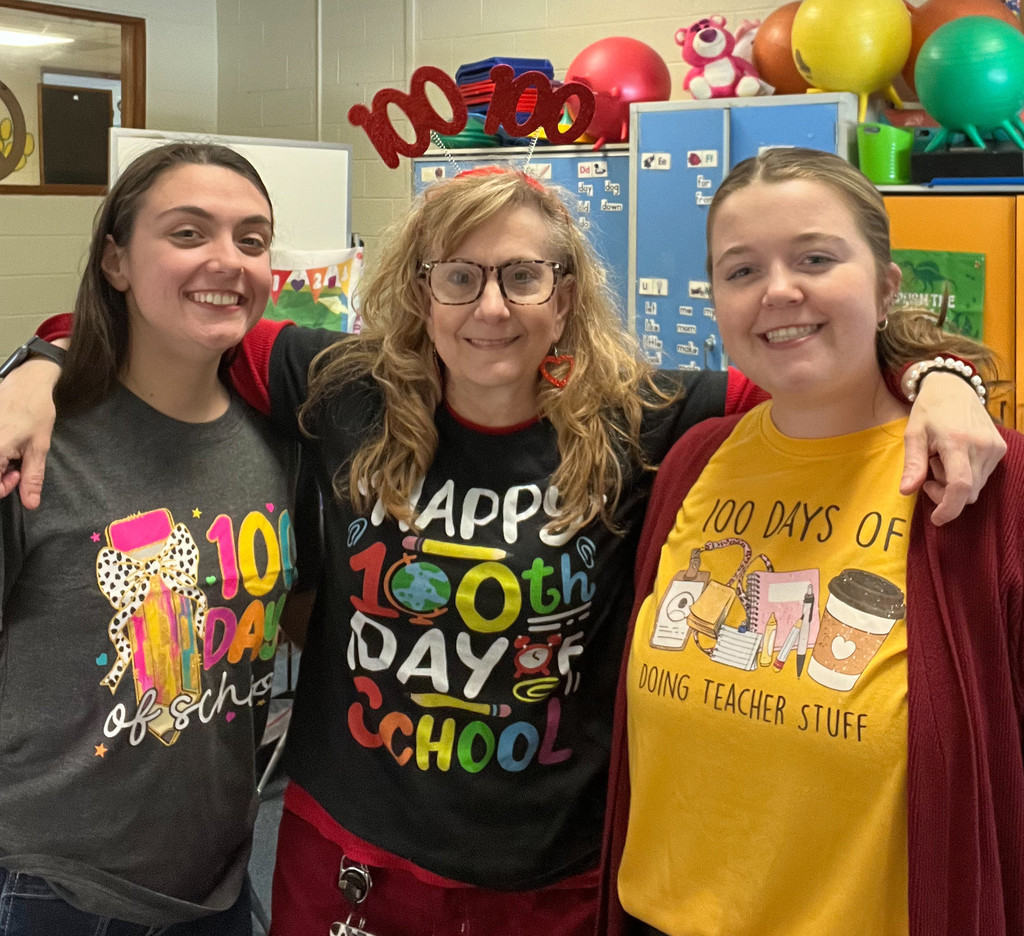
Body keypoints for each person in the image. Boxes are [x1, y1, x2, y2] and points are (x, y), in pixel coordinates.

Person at [0, 167, 1005, 936]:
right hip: (350, 856)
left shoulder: (651, 421)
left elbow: (820, 366)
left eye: (523, 276)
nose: (491, 308)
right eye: (460, 277)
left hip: (550, 875)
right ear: (419, 291)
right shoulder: (336, 385)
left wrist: (941, 371)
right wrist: (39, 362)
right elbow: (167, 327)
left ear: (563, 293)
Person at [600, 147, 1023, 936]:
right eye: (741, 270)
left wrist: (947, 376)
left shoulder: (981, 480)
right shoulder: (694, 461)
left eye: (816, 258)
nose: (779, 291)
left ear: (887, 284)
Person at [0, 143, 298, 935]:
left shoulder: (279, 439)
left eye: (252, 239)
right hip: (56, 892)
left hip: (220, 883)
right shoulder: (34, 444)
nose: (227, 260)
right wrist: (35, 362)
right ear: (116, 261)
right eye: (189, 233)